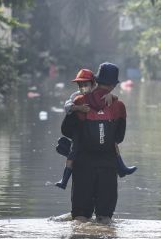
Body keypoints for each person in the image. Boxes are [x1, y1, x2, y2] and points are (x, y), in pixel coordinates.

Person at [61, 62, 128, 223]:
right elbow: (119, 137)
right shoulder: (118, 106)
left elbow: (66, 131)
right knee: (105, 219)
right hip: (108, 165)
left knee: (80, 218)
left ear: (96, 81)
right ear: (113, 85)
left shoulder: (78, 101)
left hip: (83, 164)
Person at [55, 69, 136, 190]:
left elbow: (114, 99)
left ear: (93, 84)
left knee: (113, 142)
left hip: (101, 134)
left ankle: (122, 167)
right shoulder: (77, 96)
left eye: (85, 85)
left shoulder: (100, 95)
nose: (83, 88)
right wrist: (78, 107)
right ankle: (64, 179)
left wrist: (111, 95)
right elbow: (67, 106)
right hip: (82, 132)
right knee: (73, 153)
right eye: (80, 85)